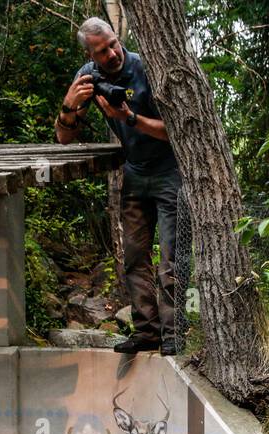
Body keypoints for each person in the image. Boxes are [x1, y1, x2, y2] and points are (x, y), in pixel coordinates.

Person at [58, 16, 186, 356]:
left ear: (118, 37)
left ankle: (175, 334)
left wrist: (129, 118)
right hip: (134, 172)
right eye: (101, 51)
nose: (112, 53)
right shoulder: (89, 76)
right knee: (134, 256)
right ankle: (147, 331)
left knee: (171, 259)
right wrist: (69, 106)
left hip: (169, 169)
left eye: (113, 44)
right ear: (90, 54)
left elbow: (175, 131)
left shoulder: (146, 68)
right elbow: (64, 137)